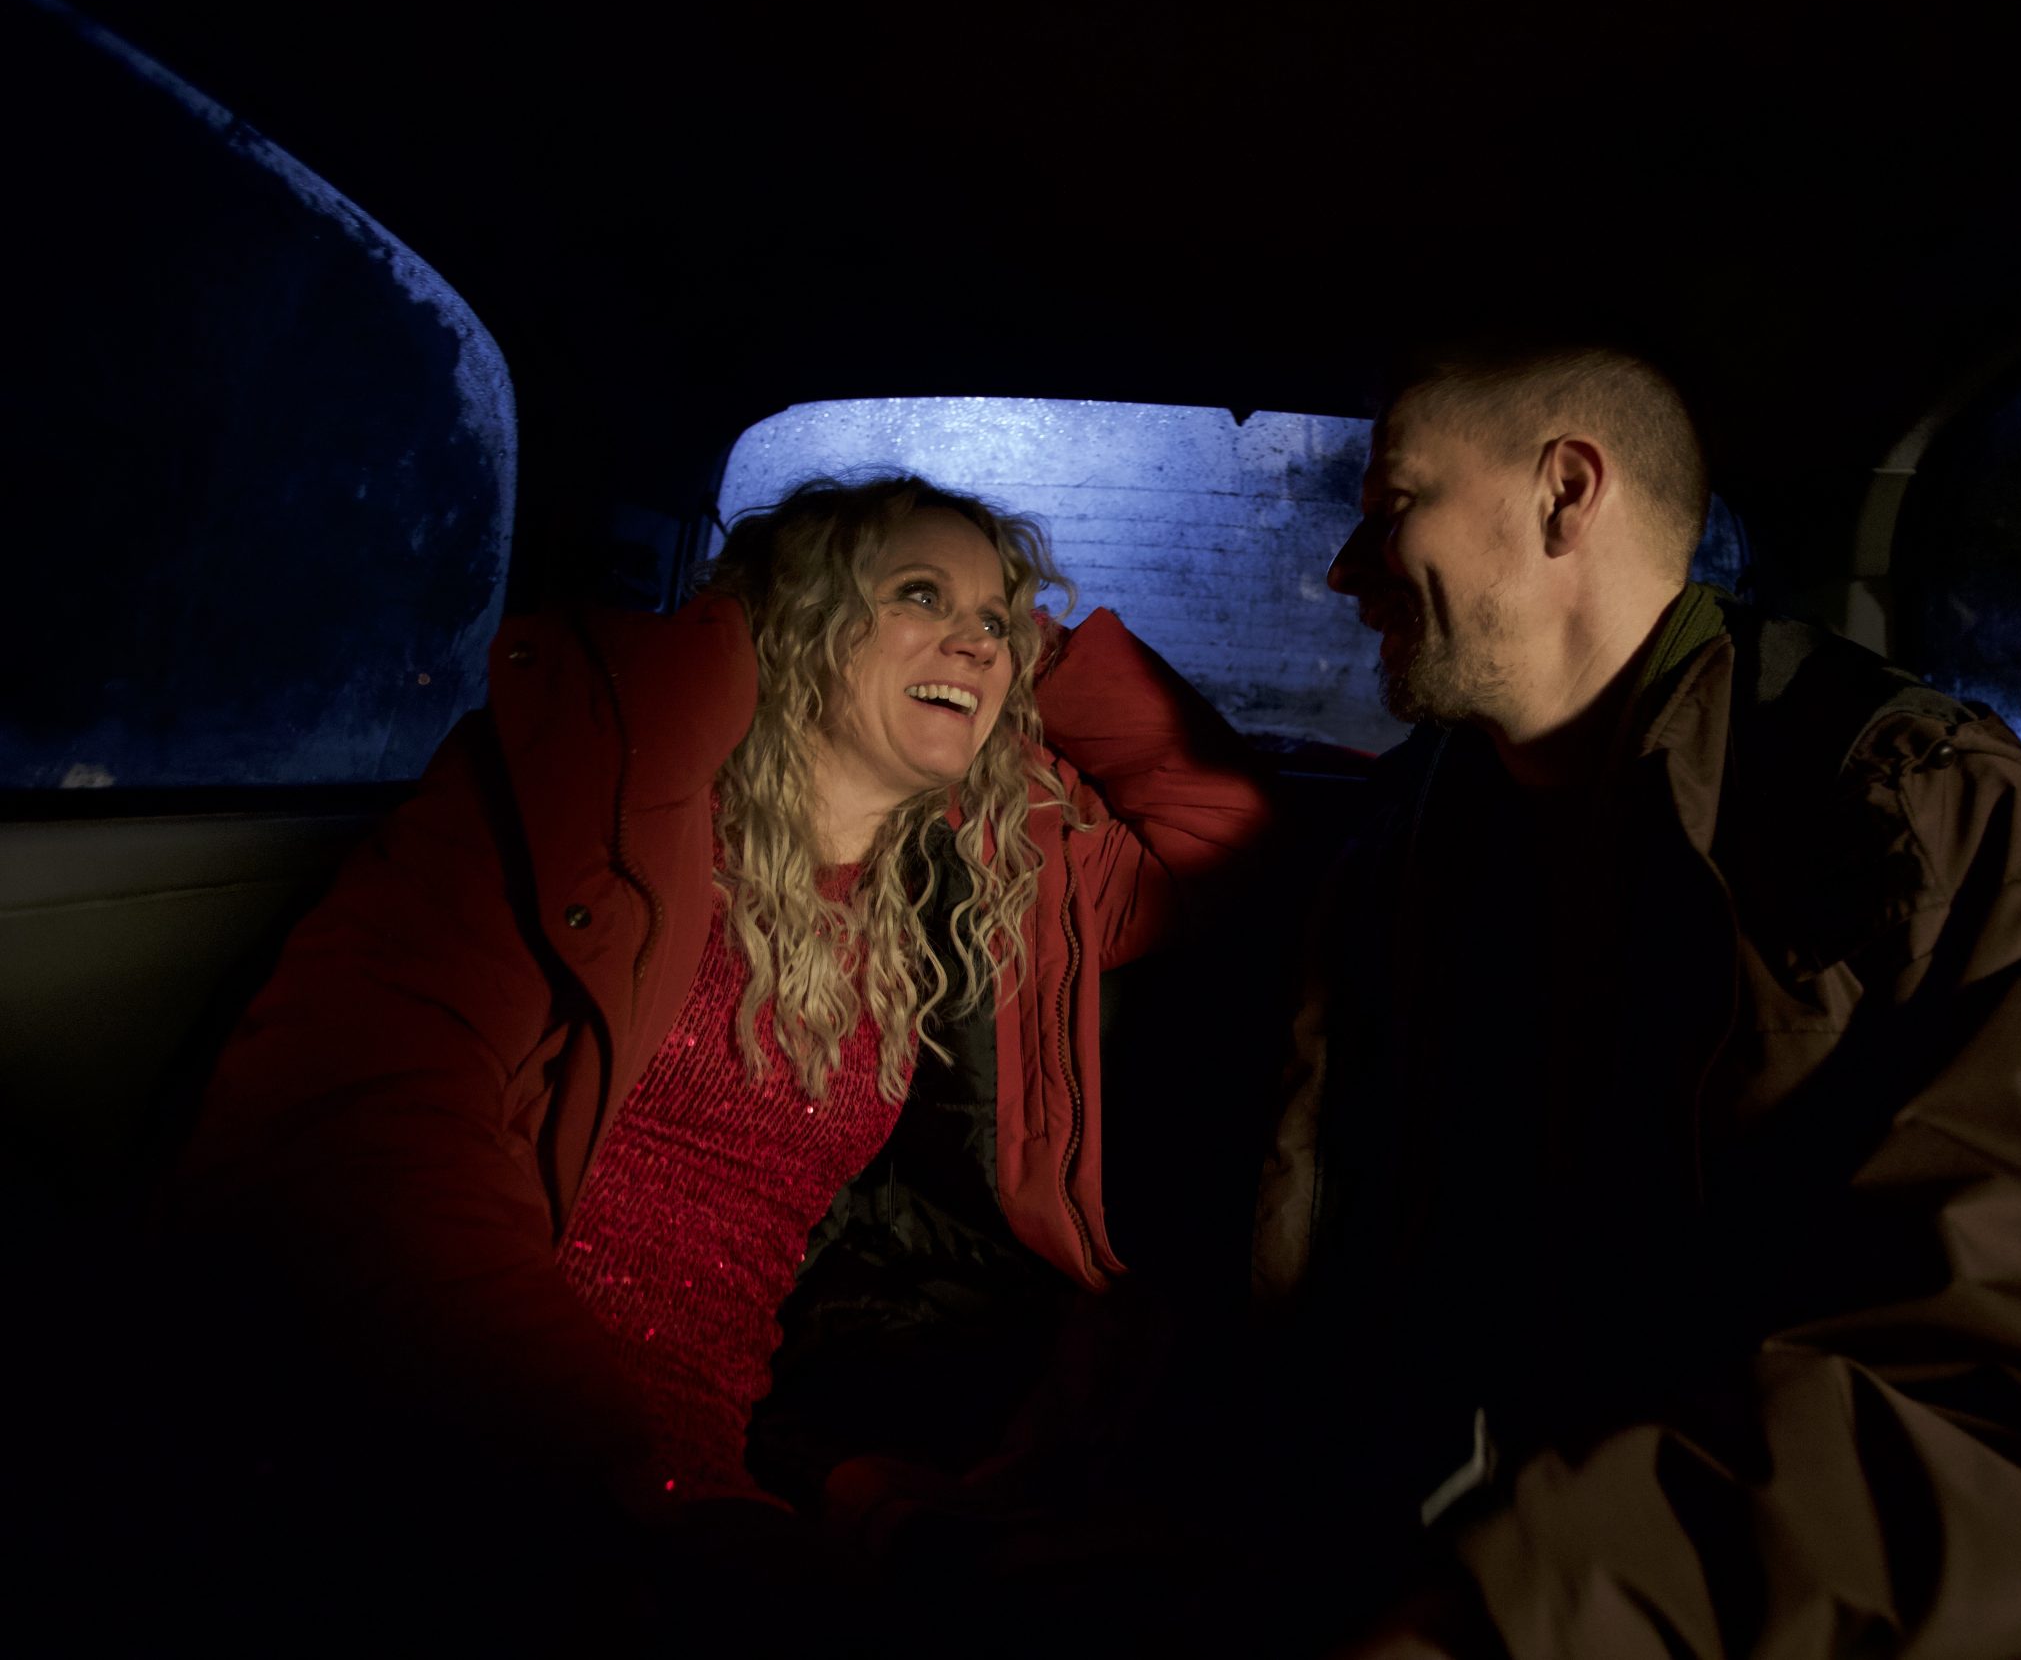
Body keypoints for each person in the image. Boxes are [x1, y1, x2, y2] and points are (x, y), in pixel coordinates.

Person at [1252, 343, 2021, 1658]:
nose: (1342, 569)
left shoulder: (1903, 813)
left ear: (1563, 495)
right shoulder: (1414, 841)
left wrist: (1500, 1615)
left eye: (1391, 506)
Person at [170, 473, 1271, 1639]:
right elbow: (363, 1125)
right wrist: (621, 1478)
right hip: (478, 1419)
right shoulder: (594, 786)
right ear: (800, 618)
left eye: (995, 616)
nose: (977, 638)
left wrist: (1026, 649)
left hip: (712, 1455)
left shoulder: (980, 876)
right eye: (917, 593)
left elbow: (1227, 832)